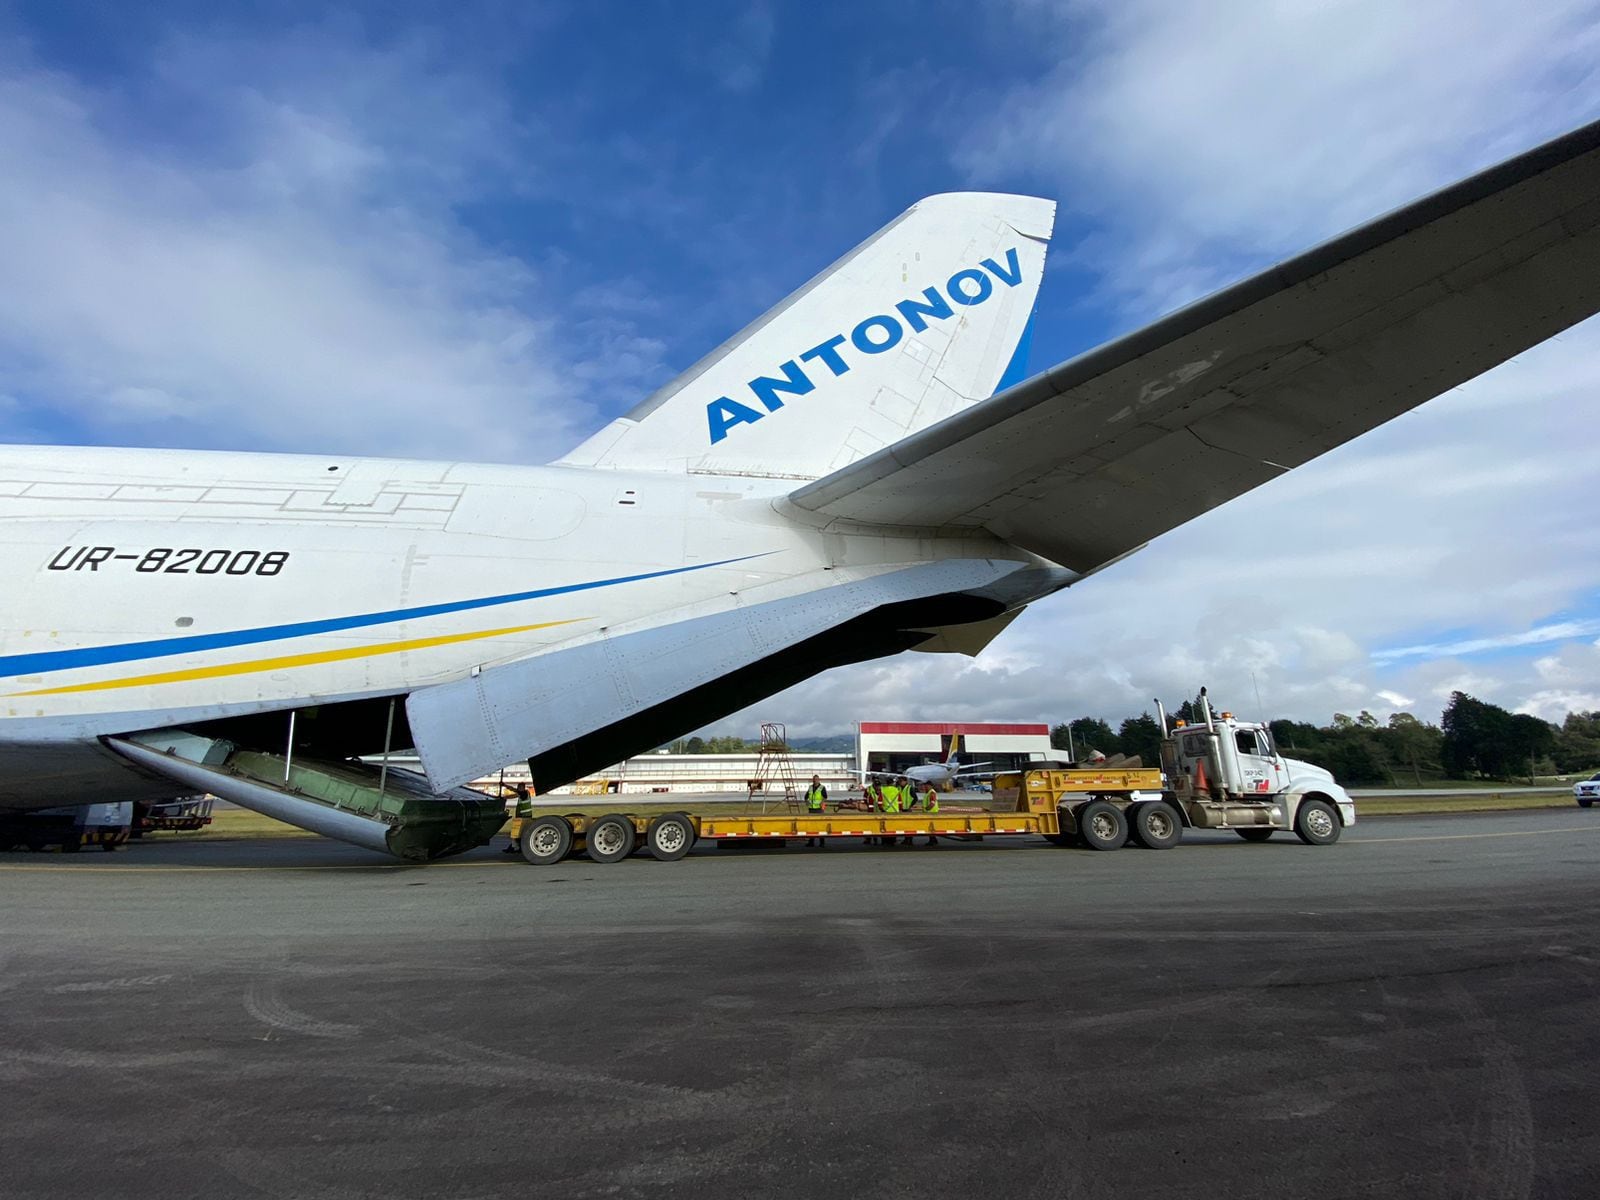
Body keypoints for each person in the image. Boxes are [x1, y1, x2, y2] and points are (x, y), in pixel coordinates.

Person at [502, 783, 531, 853]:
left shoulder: (524, 793)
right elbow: (513, 789)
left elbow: (514, 795)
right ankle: (516, 847)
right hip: (523, 817)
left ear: (523, 788)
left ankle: (514, 847)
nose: (518, 789)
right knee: (519, 833)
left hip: (524, 817)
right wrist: (505, 785)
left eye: (520, 788)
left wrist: (503, 798)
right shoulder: (523, 792)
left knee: (516, 833)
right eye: (518, 788)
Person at [804, 775, 828, 848]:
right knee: (811, 826)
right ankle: (811, 842)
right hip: (811, 809)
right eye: (814, 779)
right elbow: (806, 796)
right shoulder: (810, 787)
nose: (815, 780)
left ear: (819, 780)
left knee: (820, 826)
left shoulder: (822, 787)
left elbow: (825, 796)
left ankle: (822, 842)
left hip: (819, 809)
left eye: (816, 779)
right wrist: (807, 802)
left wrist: (822, 802)